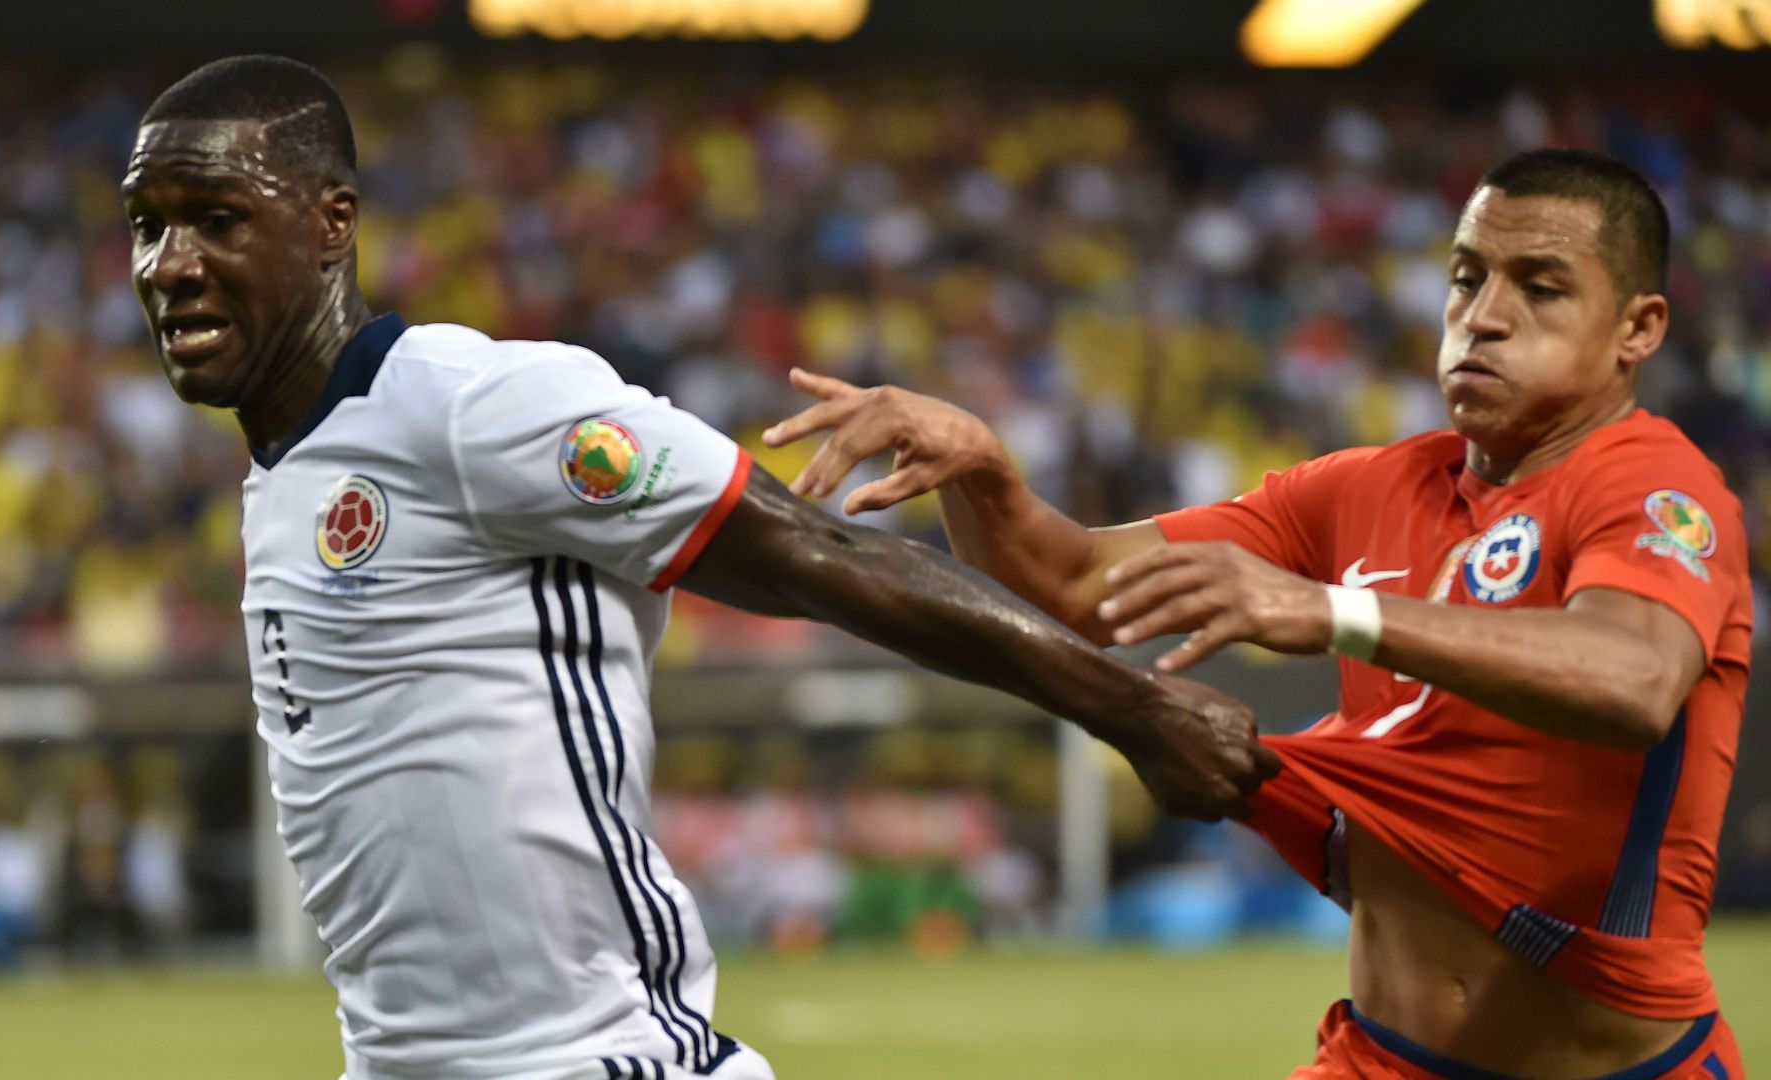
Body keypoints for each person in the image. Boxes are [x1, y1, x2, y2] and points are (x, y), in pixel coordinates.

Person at [121, 55, 1276, 1080]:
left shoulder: (465, 405)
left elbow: (814, 552)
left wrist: (1137, 710)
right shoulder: (287, 478)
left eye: (217, 218)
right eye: (146, 225)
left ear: (333, 223)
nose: (169, 265)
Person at [764, 148, 1748, 1078]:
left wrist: (1337, 612)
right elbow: (1080, 587)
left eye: (1540, 288)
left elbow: (1635, 678)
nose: (1484, 317)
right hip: (1381, 1056)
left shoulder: (1656, 485)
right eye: (1465, 277)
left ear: (1639, 329)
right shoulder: (1367, 486)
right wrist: (984, 474)